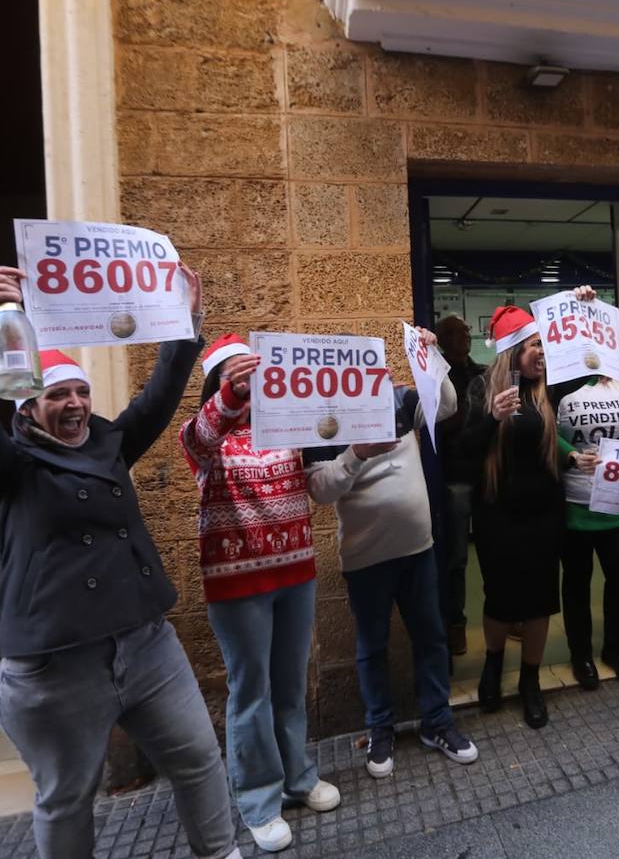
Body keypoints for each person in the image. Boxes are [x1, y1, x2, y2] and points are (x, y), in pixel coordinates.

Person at [0, 265, 241, 859]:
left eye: (81, 392)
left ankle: (222, 852)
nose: (75, 404)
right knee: (66, 797)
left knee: (200, 757)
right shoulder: (4, 467)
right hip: (57, 667)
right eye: (58, 395)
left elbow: (156, 399)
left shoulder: (108, 443)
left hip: (146, 644)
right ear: (27, 408)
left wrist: (186, 322)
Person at [180, 333, 338, 854]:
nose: (252, 389)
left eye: (255, 379)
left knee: (290, 684)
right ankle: (257, 800)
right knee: (252, 693)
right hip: (238, 582)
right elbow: (197, 438)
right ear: (219, 385)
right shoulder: (209, 436)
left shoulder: (286, 425)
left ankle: (298, 776)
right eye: (238, 380)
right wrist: (230, 395)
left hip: (296, 573)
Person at [303, 328, 479, 778]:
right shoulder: (325, 422)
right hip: (366, 561)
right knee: (371, 648)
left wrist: (430, 354)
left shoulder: (401, 400)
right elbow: (321, 491)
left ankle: (436, 722)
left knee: (431, 638)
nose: (373, 377)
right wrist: (356, 454)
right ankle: (379, 729)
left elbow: (448, 404)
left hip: (418, 550)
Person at [459, 304, 564, 728]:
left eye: (543, 344)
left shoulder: (549, 388)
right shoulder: (482, 390)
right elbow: (463, 453)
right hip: (497, 516)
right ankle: (492, 665)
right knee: (499, 599)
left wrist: (582, 302)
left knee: (540, 601)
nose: (542, 353)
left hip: (543, 515)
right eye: (535, 345)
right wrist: (492, 419)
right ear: (514, 350)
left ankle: (530, 682)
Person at [554, 316, 619, 691]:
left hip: (617, 504)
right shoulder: (559, 389)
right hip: (575, 505)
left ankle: (616, 651)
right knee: (577, 587)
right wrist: (569, 453)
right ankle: (580, 653)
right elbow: (546, 434)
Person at [435, 315, 487, 655]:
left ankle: (505, 614)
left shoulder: (482, 372)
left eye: (466, 331)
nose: (464, 337)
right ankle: (455, 623)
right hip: (454, 477)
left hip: (485, 473)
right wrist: (464, 411)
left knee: (496, 548)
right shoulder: (436, 377)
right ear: (442, 340)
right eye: (456, 333)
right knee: (455, 558)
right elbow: (436, 427)